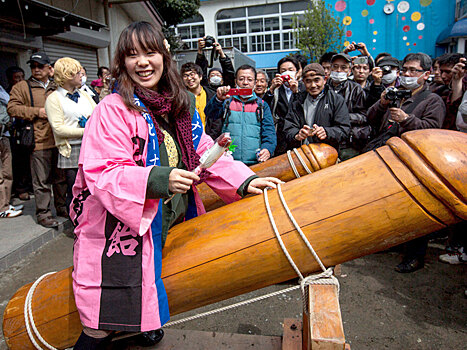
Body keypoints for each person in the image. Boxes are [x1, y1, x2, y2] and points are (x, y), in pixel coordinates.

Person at [70, 21, 281, 349]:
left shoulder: (180, 105)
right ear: (121, 63)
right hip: (123, 222)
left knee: (155, 284)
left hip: (169, 218)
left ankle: (144, 325)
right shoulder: (111, 110)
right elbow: (103, 172)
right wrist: (156, 179)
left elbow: (204, 152)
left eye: (150, 52)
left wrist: (245, 181)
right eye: (132, 54)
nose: (142, 62)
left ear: (164, 57)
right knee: (103, 317)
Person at [367, 52, 446, 273]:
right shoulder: (397, 94)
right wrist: (382, 103)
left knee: (413, 211)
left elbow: (432, 131)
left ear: (426, 75)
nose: (408, 75)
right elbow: (371, 118)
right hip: (387, 157)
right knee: (388, 206)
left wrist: (407, 119)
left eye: (414, 71)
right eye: (405, 70)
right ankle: (392, 244)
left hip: (413, 164)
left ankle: (415, 256)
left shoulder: (432, 100)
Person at [7, 51, 67, 228]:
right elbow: (12, 108)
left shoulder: (57, 86)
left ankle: (62, 208)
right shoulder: (22, 87)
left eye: (40, 66)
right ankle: (44, 213)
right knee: (41, 181)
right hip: (39, 141)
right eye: (33, 66)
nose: (36, 69)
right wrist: (36, 112)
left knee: (60, 179)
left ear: (50, 68)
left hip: (59, 139)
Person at [45, 58, 95, 214]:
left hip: (91, 146)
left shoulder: (85, 95)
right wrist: (86, 130)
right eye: (77, 72)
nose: (82, 75)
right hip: (71, 149)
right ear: (66, 75)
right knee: (75, 191)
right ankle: (76, 225)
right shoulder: (54, 98)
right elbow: (58, 129)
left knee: (91, 190)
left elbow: (98, 114)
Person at [205, 64, 277, 165]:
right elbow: (210, 113)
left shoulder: (262, 105)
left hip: (255, 162)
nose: (245, 83)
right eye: (241, 79)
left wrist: (267, 149)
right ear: (235, 82)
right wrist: (218, 99)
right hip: (229, 161)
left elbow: (269, 132)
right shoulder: (226, 101)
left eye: (250, 80)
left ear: (255, 83)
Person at [283, 63, 350, 151]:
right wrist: (297, 135)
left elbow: (344, 129)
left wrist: (327, 132)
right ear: (303, 82)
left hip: (327, 152)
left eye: (316, 80)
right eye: (308, 81)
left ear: (325, 79)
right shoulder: (297, 101)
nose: (313, 85)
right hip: (302, 152)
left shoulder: (336, 100)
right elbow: (288, 128)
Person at [327, 53, 368, 159]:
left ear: (349, 71)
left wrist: (343, 117)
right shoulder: (323, 87)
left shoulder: (356, 89)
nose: (339, 70)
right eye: (335, 67)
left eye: (343, 67)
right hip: (325, 139)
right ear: (330, 68)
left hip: (347, 142)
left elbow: (363, 116)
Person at [263, 56, 305, 155]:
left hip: (298, 134)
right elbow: (265, 107)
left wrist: (296, 92)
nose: (287, 73)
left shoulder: (304, 88)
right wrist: (272, 89)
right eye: (283, 70)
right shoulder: (277, 89)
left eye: (290, 70)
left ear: (297, 72)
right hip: (281, 137)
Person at [180, 62, 220, 139]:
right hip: (189, 139)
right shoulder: (181, 97)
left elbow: (216, 119)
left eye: (192, 74)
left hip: (210, 139)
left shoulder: (212, 95)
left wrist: (210, 138)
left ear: (200, 76)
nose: (189, 78)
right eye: (185, 76)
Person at [0, 84, 23, 218]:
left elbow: (8, 102)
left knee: (7, 173)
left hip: (4, 134)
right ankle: (2, 208)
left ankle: (6, 203)